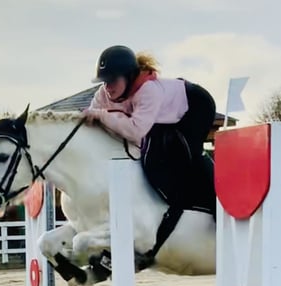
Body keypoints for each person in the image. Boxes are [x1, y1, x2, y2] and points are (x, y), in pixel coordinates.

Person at [82, 45, 216, 216]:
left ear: (129, 76)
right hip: (167, 115)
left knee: (186, 152)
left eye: (113, 80)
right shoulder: (104, 93)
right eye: (105, 81)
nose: (108, 87)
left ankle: (216, 200)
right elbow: (91, 118)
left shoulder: (148, 91)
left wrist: (102, 116)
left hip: (197, 105)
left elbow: (136, 131)